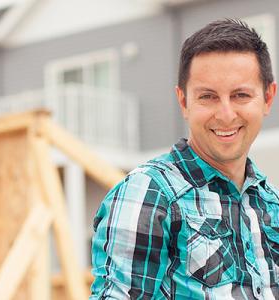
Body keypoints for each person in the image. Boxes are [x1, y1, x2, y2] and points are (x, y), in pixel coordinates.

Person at [90, 19, 279, 299]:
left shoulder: (270, 203)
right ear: (183, 102)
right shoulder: (148, 193)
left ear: (267, 98)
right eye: (208, 97)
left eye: (240, 95)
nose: (226, 114)